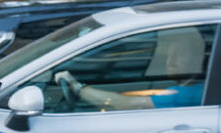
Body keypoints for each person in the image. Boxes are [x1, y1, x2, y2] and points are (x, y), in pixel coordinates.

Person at [54, 28, 207, 110]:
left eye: (179, 55)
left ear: (197, 58)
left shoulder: (191, 94)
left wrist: (78, 88)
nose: (170, 61)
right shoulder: (188, 87)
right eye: (169, 55)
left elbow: (128, 104)